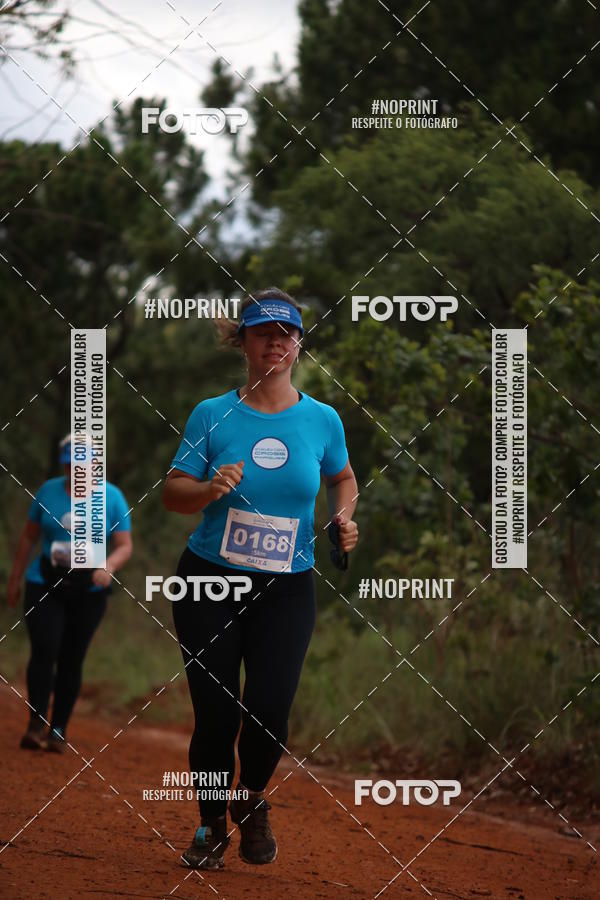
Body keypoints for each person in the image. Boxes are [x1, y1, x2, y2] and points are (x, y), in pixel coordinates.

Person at [162, 287, 359, 870]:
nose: (276, 340)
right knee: (217, 713)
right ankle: (209, 826)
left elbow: (343, 480)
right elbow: (174, 494)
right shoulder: (211, 413)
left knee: (270, 710)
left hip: (286, 586)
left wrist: (344, 518)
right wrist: (207, 488)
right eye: (263, 331)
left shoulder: (322, 418)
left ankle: (251, 803)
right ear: (242, 342)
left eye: (287, 332)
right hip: (209, 582)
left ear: (299, 343)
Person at [6, 434, 133, 752]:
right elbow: (28, 536)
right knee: (44, 649)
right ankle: (36, 723)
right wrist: (15, 578)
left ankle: (58, 728)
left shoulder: (112, 497)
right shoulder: (48, 491)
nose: (75, 472)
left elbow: (124, 545)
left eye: (82, 465)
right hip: (44, 581)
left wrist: (110, 567)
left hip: (88, 589)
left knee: (71, 658)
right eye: (70, 465)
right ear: (64, 465)